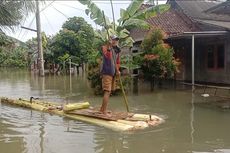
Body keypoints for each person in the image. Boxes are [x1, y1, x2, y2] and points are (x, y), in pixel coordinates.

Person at [100, 35, 121, 115]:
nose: (115, 41)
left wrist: (118, 70)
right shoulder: (105, 47)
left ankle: (102, 109)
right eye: (114, 40)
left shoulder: (117, 50)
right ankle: (103, 111)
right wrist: (109, 46)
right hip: (106, 72)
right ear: (110, 40)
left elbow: (118, 62)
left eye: (116, 40)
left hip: (113, 73)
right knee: (107, 91)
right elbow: (107, 56)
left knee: (110, 91)